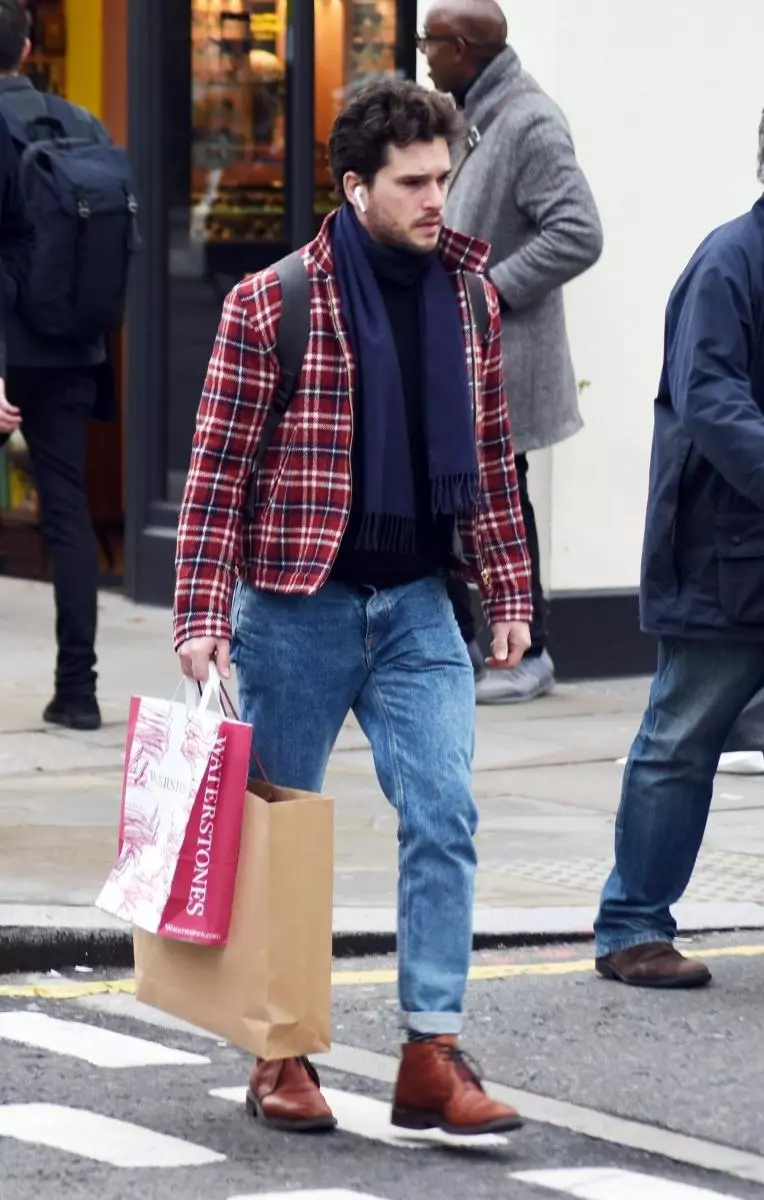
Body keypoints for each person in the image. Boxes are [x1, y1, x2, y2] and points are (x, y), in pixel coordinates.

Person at [175, 78, 532, 1135]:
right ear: (354, 187)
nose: (437, 199)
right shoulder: (271, 302)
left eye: (443, 177)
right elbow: (214, 470)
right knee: (282, 838)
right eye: (413, 182)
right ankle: (278, 1053)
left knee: (443, 809)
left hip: (420, 603)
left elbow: (491, 461)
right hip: (295, 606)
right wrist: (201, 612)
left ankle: (429, 1050)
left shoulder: (470, 294)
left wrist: (508, 591)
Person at [593, 111, 764, 990]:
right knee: (682, 739)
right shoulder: (729, 261)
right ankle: (631, 928)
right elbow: (711, 399)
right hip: (724, 558)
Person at [420, 0, 603, 703]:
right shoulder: (473, 112)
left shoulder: (528, 119)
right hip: (462, 352)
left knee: (501, 497)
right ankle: (482, 643)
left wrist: (488, 291)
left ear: (462, 47)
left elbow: (579, 232)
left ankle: (530, 653)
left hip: (503, 354)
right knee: (469, 498)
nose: (425, 55)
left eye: (429, 43)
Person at [0, 0, 114, 731]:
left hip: (8, 348)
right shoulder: (85, 124)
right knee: (68, 515)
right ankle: (79, 691)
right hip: (71, 347)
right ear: (31, 47)